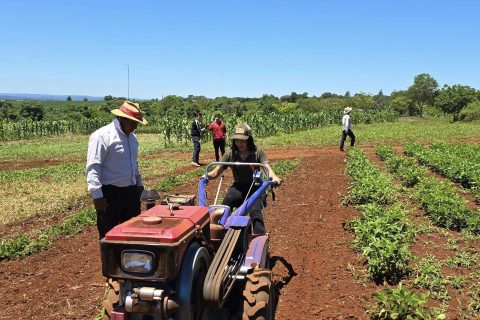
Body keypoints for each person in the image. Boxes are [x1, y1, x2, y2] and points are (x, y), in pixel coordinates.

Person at [205, 124, 282, 235]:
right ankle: (220, 234)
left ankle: (259, 240)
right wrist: (206, 176)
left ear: (248, 140)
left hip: (254, 187)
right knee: (225, 205)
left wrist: (274, 177)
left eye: (242, 141)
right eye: (237, 140)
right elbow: (216, 172)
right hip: (238, 187)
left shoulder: (257, 151)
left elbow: (267, 169)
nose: (239, 143)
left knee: (255, 212)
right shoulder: (230, 153)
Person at [86, 100, 147, 239]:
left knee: (133, 234)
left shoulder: (132, 138)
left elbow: (133, 164)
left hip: (131, 193)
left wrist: (139, 185)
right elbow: (93, 167)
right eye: (133, 122)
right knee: (109, 237)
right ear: (122, 118)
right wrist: (97, 196)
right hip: (110, 195)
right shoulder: (102, 136)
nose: (135, 126)